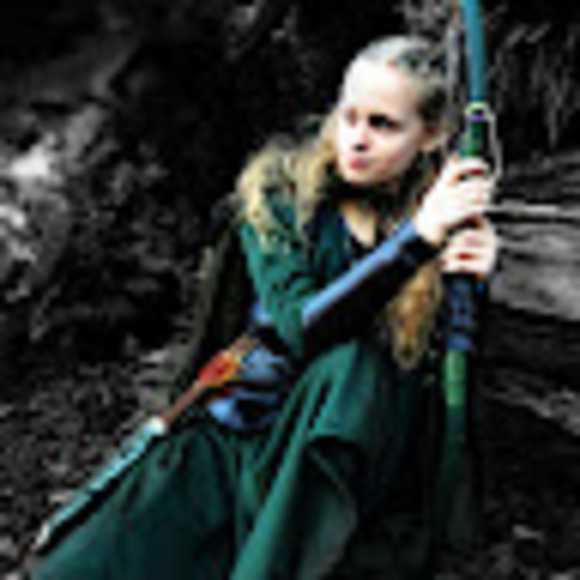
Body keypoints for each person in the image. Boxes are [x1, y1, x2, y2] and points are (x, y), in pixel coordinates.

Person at [30, 35, 497, 579]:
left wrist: (472, 288)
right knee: (71, 570)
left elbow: (442, 386)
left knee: (356, 368)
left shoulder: (442, 219)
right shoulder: (280, 193)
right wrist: (417, 240)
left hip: (335, 464)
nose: (356, 139)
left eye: (383, 125)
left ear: (432, 134)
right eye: (348, 116)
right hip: (240, 439)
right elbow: (300, 327)